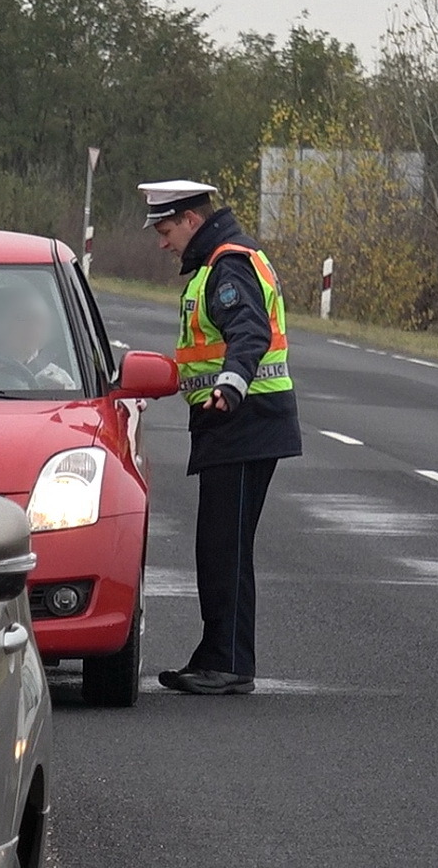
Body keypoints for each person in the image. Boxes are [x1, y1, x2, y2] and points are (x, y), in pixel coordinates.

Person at [139, 179, 302, 695]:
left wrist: (230, 387)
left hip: (243, 420)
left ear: (191, 219)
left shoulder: (228, 266)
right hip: (234, 422)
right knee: (221, 546)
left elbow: (248, 332)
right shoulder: (220, 263)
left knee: (223, 548)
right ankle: (220, 655)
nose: (163, 243)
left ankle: (228, 662)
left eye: (166, 230)